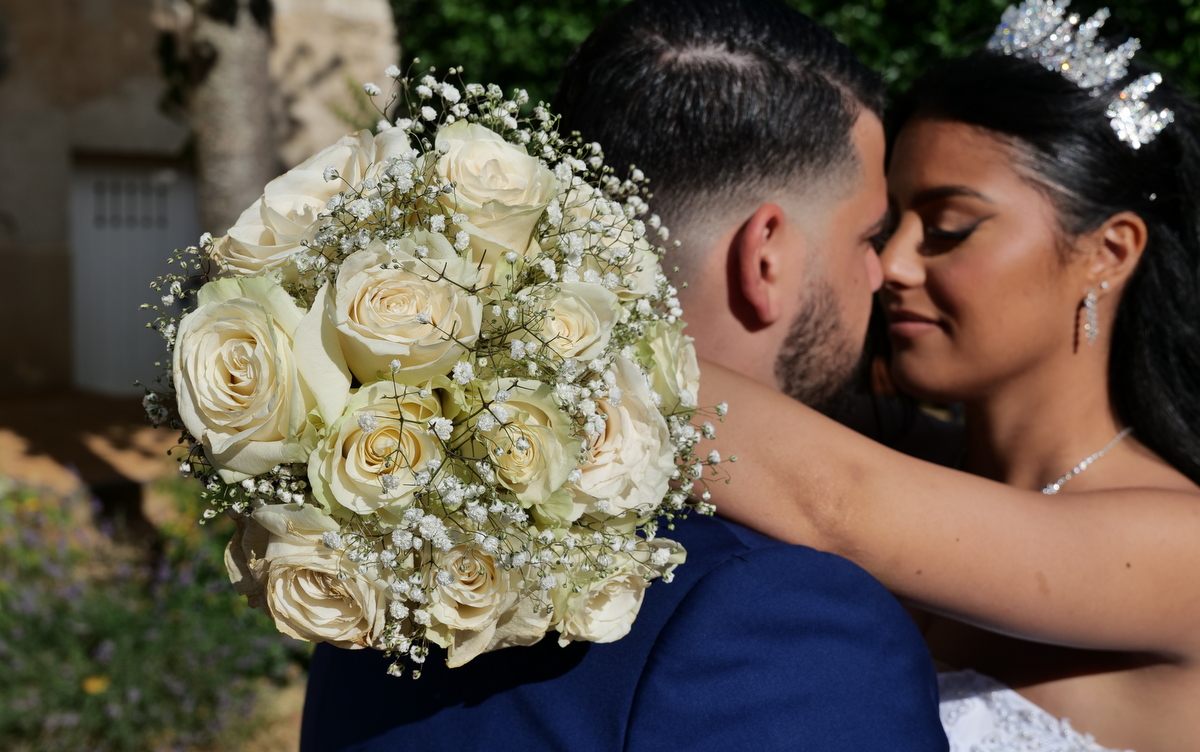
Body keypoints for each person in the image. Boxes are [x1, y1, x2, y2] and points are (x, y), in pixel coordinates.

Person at [299, 0, 948, 749]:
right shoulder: (781, 618)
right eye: (869, 235)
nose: (884, 271)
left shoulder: (382, 536)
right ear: (765, 255)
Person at [701, 5, 1200, 750]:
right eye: (887, 226)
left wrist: (538, 331)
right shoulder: (897, 446)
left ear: (1108, 252)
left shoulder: (1180, 544)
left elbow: (838, 501)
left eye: (947, 229)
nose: (892, 266)